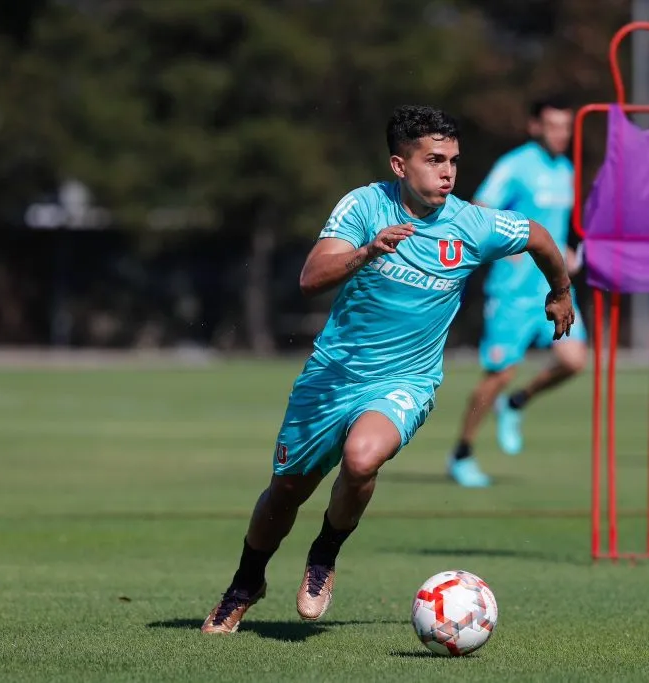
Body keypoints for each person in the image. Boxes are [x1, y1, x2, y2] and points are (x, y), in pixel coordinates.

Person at [201, 104, 575, 634]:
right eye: (433, 160)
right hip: (331, 377)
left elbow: (538, 236)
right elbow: (311, 277)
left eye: (453, 161)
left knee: (361, 459)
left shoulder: (472, 223)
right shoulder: (364, 206)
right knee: (285, 492)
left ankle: (324, 554)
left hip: (406, 381)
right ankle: (246, 583)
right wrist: (366, 252)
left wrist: (560, 292)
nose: (447, 172)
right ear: (400, 165)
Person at [446, 95, 588, 488]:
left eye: (567, 126)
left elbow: (556, 228)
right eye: (554, 125)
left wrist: (568, 252)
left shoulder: (566, 169)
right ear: (535, 127)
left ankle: (518, 403)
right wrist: (501, 247)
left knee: (574, 360)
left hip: (554, 290)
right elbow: (479, 208)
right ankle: (462, 453)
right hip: (512, 294)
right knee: (499, 374)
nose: (562, 134)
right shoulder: (515, 165)